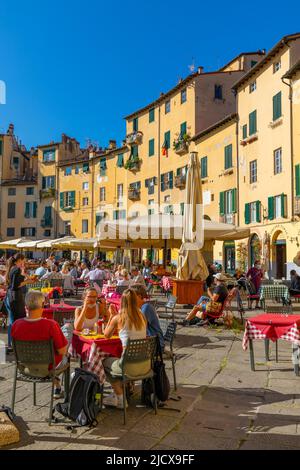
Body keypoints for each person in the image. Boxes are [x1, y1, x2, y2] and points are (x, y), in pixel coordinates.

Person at [11, 291, 68, 398]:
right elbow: (62, 351)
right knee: (67, 334)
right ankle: (60, 388)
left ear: (26, 306)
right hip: (49, 369)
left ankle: (57, 385)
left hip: (25, 368)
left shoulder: (16, 325)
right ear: (42, 305)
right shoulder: (51, 325)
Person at [102, 288, 148, 409]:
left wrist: (111, 316)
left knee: (102, 362)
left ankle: (120, 396)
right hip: (144, 363)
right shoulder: (142, 316)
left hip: (127, 365)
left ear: (121, 301)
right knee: (115, 359)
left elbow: (106, 335)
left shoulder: (119, 318)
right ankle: (121, 392)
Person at [4, 254, 36, 351]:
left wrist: (25, 274)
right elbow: (15, 286)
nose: (25, 262)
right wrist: (27, 282)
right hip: (14, 298)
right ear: (20, 260)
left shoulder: (13, 268)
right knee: (17, 322)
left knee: (12, 322)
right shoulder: (16, 269)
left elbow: (14, 284)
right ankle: (15, 345)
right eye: (24, 260)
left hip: (10, 297)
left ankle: (12, 344)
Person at [130, 284, 164, 350]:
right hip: (148, 341)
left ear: (139, 296)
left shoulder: (146, 307)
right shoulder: (139, 308)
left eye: (131, 297)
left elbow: (138, 327)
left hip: (155, 344)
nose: (129, 299)